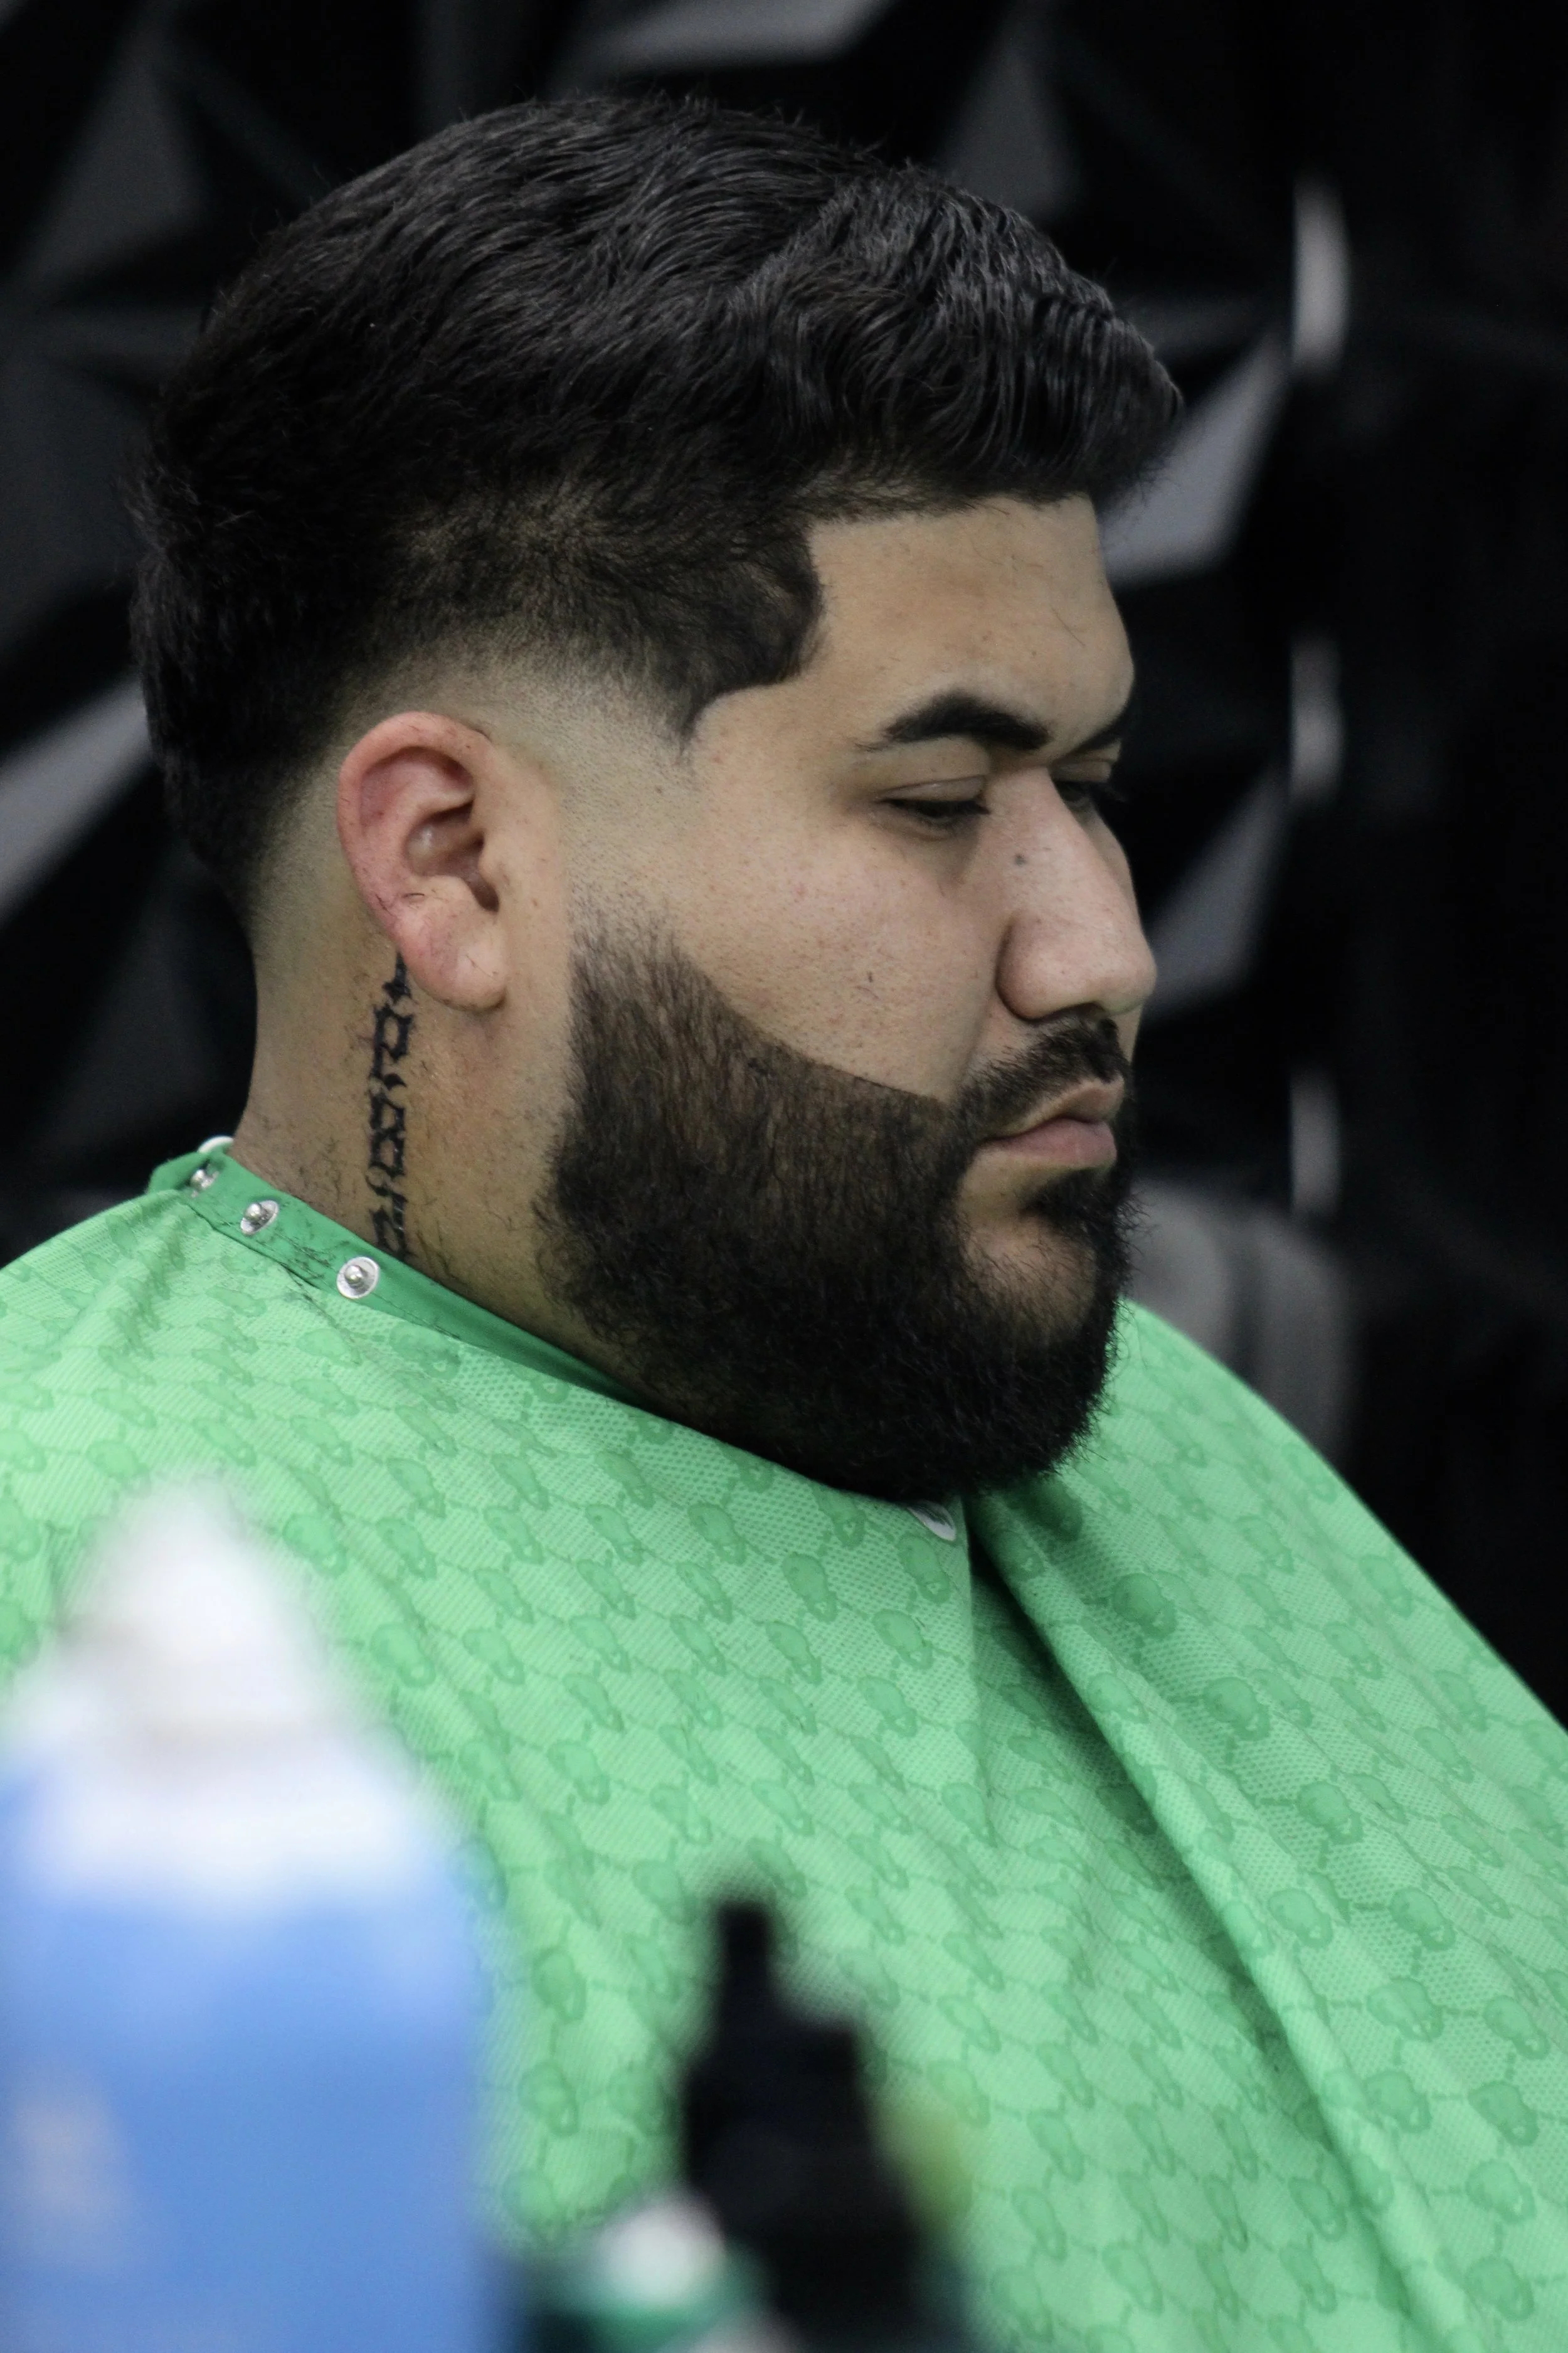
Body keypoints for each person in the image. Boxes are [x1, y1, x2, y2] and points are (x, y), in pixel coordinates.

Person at [1, 95, 1565, 2351]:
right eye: (942, 800)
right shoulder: (75, 1623)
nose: (1101, 946)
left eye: (1095, 790)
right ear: (448, 862)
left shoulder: (1142, 1419)